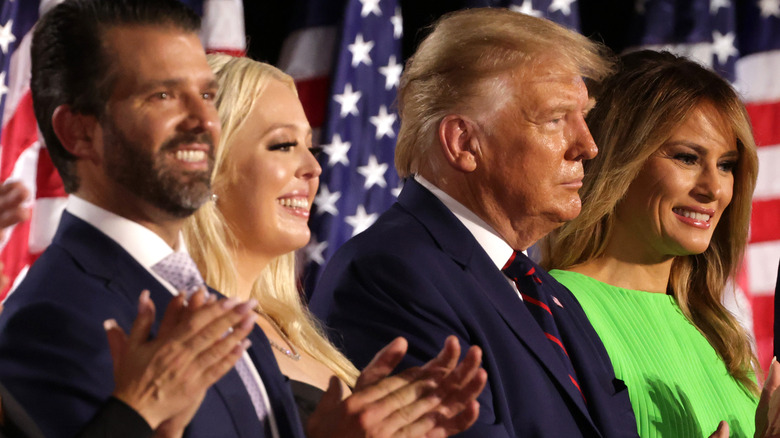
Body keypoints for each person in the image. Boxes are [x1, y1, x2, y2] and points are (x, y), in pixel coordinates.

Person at [310, 8, 638, 438]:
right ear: (464, 142)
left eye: (584, 117)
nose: (588, 146)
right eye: (556, 119)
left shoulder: (548, 294)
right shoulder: (388, 277)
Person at [0, 0, 304, 437]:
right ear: (78, 132)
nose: (204, 121)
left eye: (206, 95)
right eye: (162, 95)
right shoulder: (52, 319)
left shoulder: (222, 309)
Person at [184, 53, 487, 436]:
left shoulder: (299, 333)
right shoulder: (169, 329)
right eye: (282, 145)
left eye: (309, 146)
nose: (313, 168)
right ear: (206, 167)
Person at [540, 50, 780, 437]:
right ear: (622, 158)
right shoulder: (553, 309)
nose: (714, 189)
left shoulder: (716, 332)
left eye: (727, 165)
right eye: (687, 158)